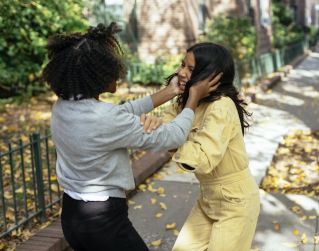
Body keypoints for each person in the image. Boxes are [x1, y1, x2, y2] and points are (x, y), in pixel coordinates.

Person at [42, 23, 221, 251]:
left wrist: (170, 92)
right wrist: (193, 99)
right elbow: (172, 137)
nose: (119, 73)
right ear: (98, 75)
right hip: (102, 221)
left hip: (72, 215)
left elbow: (119, 113)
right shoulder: (105, 119)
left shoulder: (64, 107)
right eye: (113, 69)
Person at [161, 42, 260, 251]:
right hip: (209, 199)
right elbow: (166, 124)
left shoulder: (221, 106)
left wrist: (171, 142)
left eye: (189, 68)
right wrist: (185, 96)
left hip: (236, 202)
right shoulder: (188, 103)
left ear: (211, 76)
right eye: (182, 65)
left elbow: (202, 160)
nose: (180, 72)